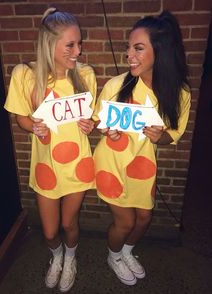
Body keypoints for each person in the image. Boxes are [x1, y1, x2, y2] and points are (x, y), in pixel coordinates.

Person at [93, 10, 191, 286]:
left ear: (160, 51)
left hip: (142, 165)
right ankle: (113, 256)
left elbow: (174, 134)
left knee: (145, 217)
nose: (129, 55)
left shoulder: (178, 92)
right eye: (128, 48)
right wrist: (108, 131)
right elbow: (102, 120)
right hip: (111, 162)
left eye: (138, 48)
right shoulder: (117, 84)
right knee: (124, 222)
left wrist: (160, 137)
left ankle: (125, 251)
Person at [4, 7, 96, 292]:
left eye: (79, 43)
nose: (78, 51)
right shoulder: (26, 74)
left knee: (69, 224)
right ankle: (56, 257)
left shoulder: (85, 74)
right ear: (49, 44)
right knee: (49, 230)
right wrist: (33, 127)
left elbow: (90, 117)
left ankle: (70, 259)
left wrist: (89, 125)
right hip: (46, 167)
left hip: (78, 163)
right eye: (71, 44)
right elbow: (20, 117)